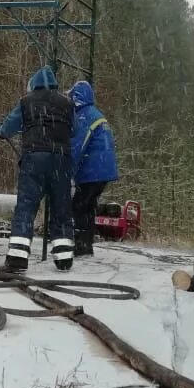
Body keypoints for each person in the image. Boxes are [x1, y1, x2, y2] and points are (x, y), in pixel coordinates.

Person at [0, 66, 75, 272]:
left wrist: (1, 131)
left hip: (35, 158)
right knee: (61, 207)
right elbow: (74, 130)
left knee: (26, 207)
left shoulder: (26, 101)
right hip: (61, 159)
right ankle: (64, 258)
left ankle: (17, 258)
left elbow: (8, 128)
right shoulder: (67, 102)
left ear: (33, 84)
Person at [68, 81, 119, 257]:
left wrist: (67, 170)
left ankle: (82, 246)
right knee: (88, 206)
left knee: (79, 206)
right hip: (102, 171)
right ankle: (86, 244)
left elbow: (78, 146)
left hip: (92, 172)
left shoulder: (84, 116)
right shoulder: (96, 114)